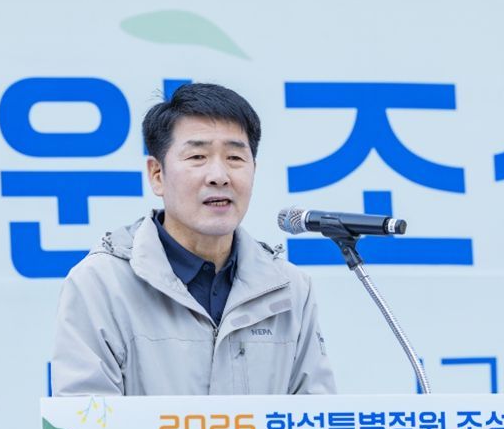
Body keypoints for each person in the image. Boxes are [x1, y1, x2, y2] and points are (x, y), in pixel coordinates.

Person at [51, 83, 336, 396]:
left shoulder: (289, 288)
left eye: (235, 158)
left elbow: (317, 415)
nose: (219, 176)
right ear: (157, 174)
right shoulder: (102, 284)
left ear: (254, 170)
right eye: (198, 156)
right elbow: (84, 419)